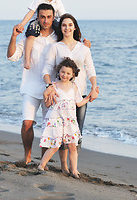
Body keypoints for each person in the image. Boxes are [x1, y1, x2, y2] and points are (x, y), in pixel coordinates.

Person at [42, 13, 99, 175]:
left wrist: (94, 87)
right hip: (60, 97)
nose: (67, 28)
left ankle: (74, 167)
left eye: (70, 25)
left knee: (75, 133)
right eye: (64, 25)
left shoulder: (84, 48)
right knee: (61, 134)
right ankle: (64, 166)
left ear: (75, 27)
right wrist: (49, 86)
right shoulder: (56, 47)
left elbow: (90, 68)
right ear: (61, 28)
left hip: (79, 95)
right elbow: (47, 69)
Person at [7, 3, 58, 166]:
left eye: (49, 17)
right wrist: (13, 36)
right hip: (30, 86)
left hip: (50, 88)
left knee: (47, 126)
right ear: (37, 17)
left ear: (53, 17)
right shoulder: (29, 36)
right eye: (42, 17)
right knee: (27, 123)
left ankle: (43, 161)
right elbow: (12, 57)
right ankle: (27, 156)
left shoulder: (58, 37)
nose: (45, 20)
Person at [38, 57, 90, 179]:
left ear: (73, 75)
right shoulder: (53, 86)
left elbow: (79, 103)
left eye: (68, 73)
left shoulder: (74, 87)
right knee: (55, 145)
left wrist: (89, 98)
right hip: (56, 119)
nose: (64, 75)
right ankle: (41, 165)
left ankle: (74, 170)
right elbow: (47, 104)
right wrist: (45, 94)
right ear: (58, 72)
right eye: (62, 72)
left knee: (72, 145)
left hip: (70, 121)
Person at [15, 0, 66, 70]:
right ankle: (27, 59)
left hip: (51, 21)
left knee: (61, 30)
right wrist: (22, 24)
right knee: (31, 34)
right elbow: (31, 12)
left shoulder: (58, 2)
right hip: (37, 20)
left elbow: (64, 17)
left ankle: (60, 58)